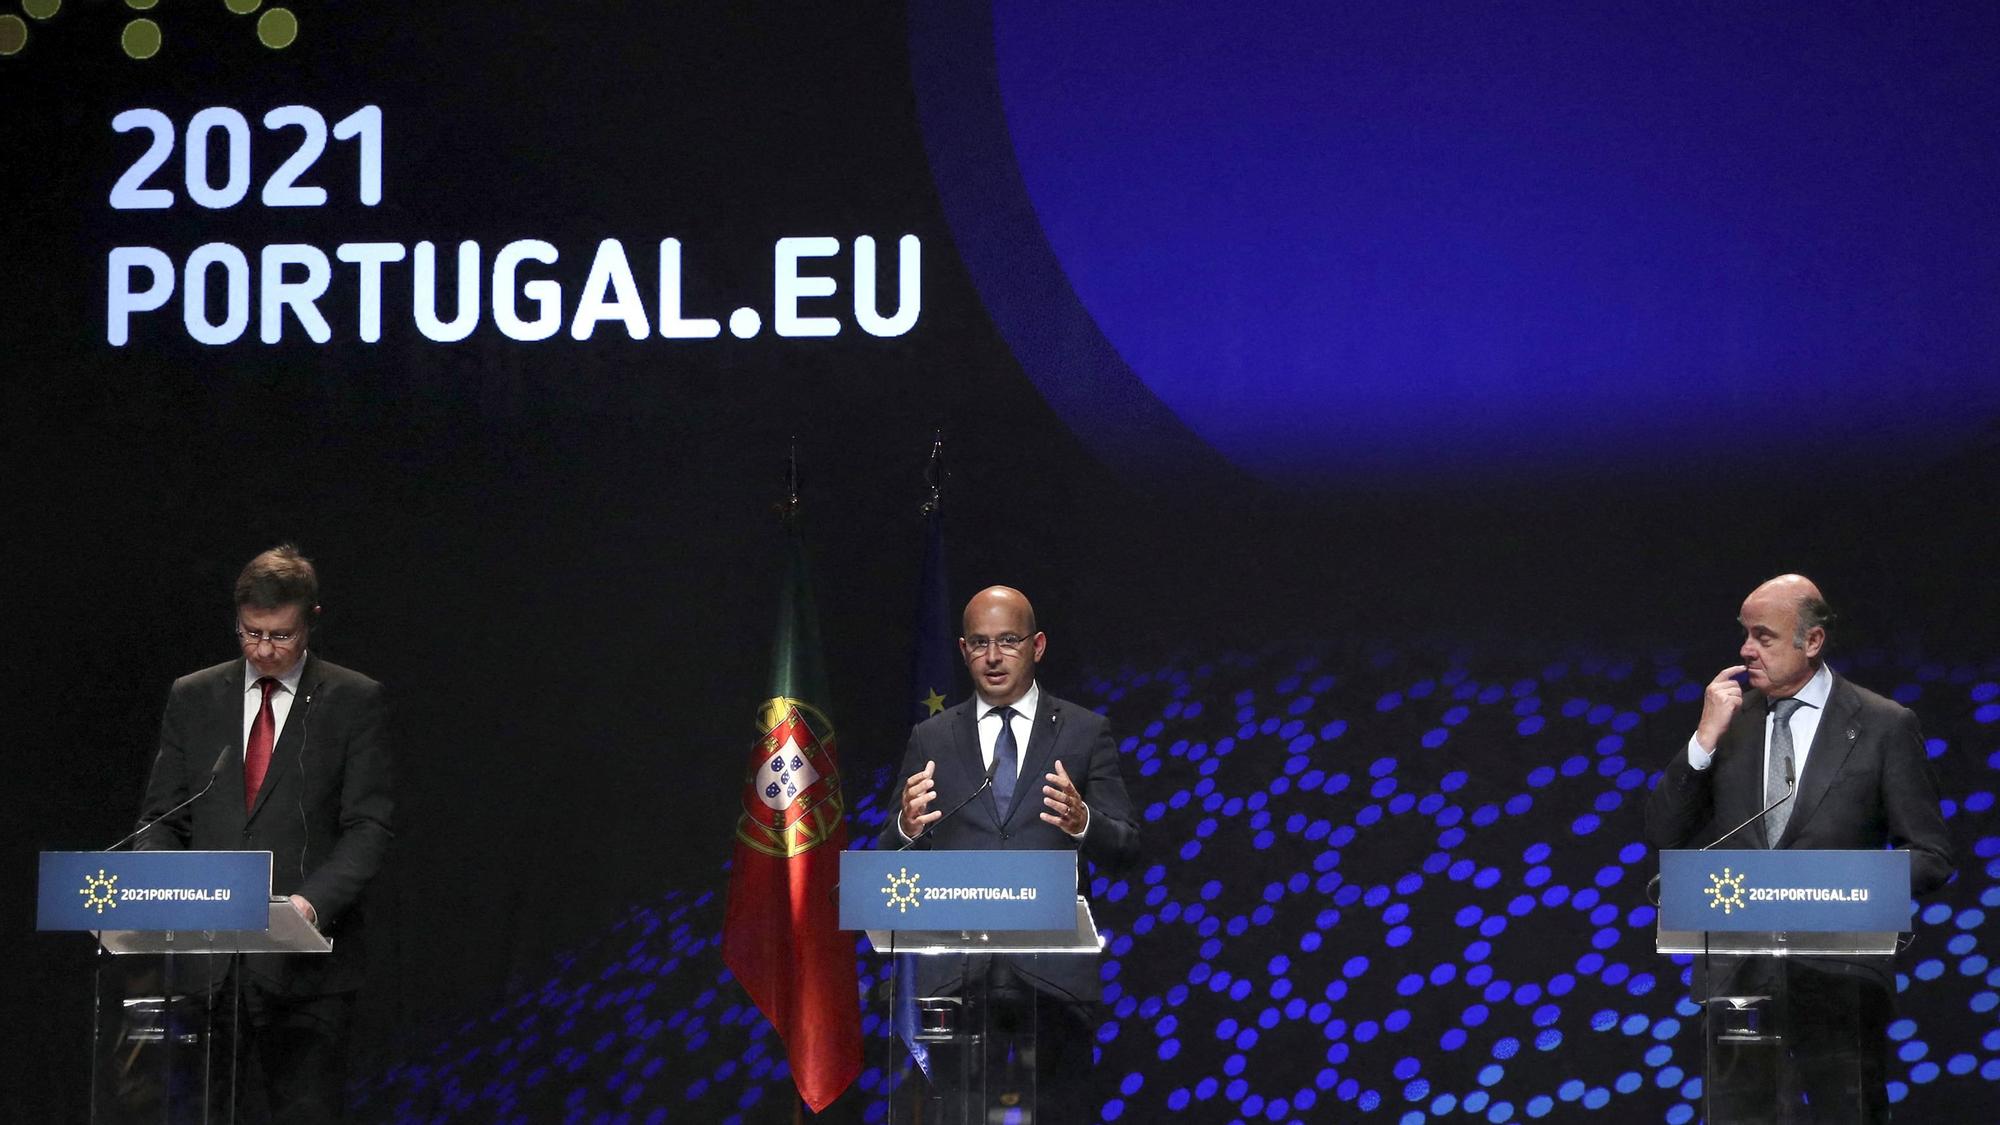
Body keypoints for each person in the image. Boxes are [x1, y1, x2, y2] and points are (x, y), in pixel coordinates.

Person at [1644, 574, 1954, 1123]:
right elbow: (1666, 833)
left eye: (1763, 636)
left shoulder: (1883, 726)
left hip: (1841, 981)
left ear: (1811, 642)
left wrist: (1846, 889)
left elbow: (1930, 854)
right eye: (1744, 634)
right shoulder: (1729, 723)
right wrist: (1702, 741)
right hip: (1737, 981)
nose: (1745, 650)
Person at [134, 545, 394, 1123]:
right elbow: (159, 821)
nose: (264, 649)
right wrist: (172, 891)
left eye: (281, 636)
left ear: (312, 621)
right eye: (251, 634)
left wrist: (309, 904)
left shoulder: (354, 700)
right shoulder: (194, 696)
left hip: (307, 972)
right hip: (206, 968)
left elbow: (368, 827)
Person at [879, 586, 1139, 1124]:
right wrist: (905, 828)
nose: (993, 657)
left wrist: (1083, 820)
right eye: (979, 643)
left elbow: (1128, 848)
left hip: (1053, 986)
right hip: (955, 985)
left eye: (1008, 641)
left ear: (1037, 645)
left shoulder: (1085, 732)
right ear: (962, 649)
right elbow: (890, 861)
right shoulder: (931, 737)